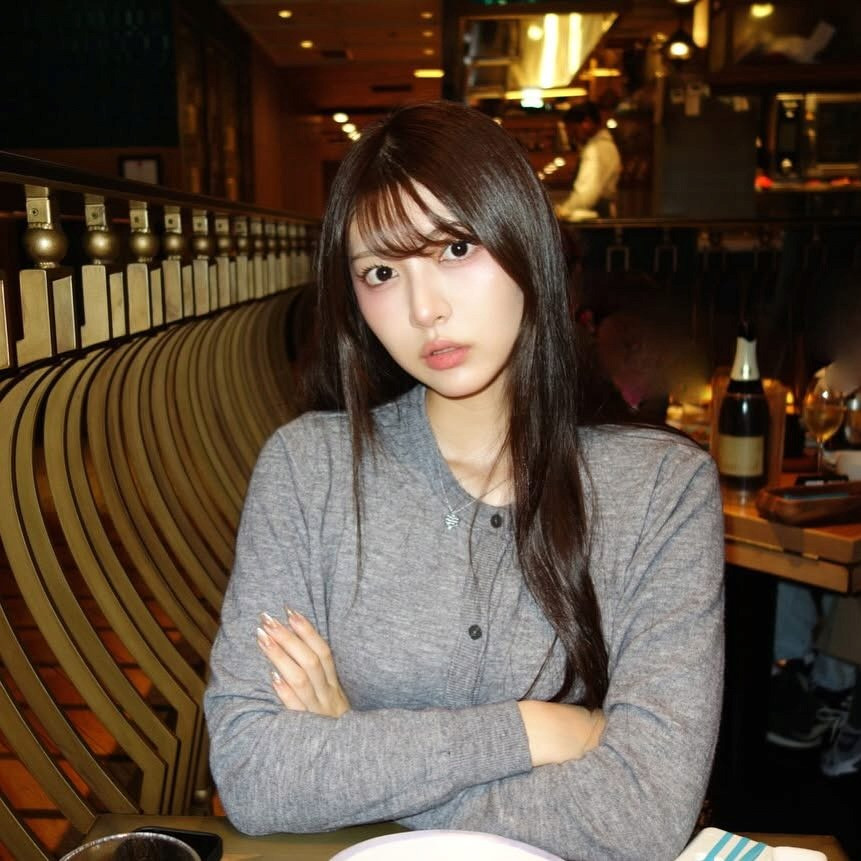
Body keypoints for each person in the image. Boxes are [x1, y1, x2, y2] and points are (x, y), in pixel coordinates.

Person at [204, 101, 725, 861]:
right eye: (382, 272)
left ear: (526, 242)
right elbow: (253, 774)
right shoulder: (307, 468)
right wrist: (532, 730)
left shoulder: (659, 488)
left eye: (455, 248)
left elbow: (642, 814)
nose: (425, 309)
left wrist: (352, 744)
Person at [555, 101, 621, 220]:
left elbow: (586, 194)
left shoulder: (597, 149)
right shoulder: (604, 146)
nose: (571, 136)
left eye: (573, 131)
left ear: (587, 122)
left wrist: (562, 211)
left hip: (595, 219)